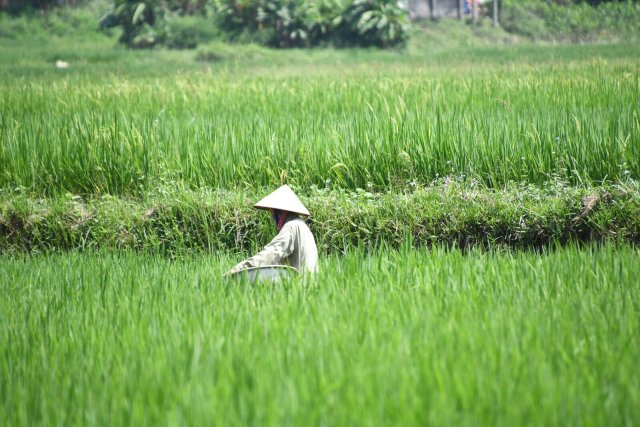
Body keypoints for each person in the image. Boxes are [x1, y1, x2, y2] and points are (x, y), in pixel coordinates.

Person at [225, 185, 318, 275]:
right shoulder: (302, 225)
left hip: (300, 284)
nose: (273, 218)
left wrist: (237, 270)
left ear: (279, 212)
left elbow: (270, 254)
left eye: (272, 213)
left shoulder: (291, 227)